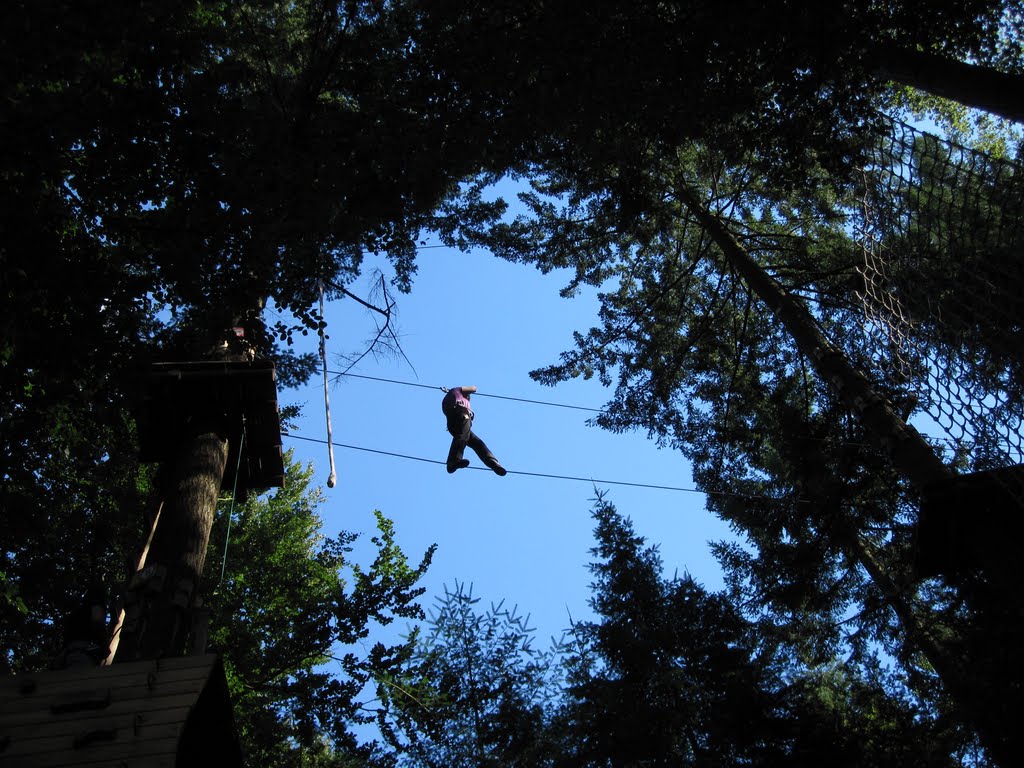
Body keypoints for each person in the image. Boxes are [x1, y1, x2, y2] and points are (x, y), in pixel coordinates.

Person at [441, 385, 507, 475]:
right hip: (461, 415)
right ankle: (453, 460)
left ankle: (492, 462)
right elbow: (473, 388)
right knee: (462, 436)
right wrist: (471, 389)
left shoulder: (448, 400)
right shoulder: (457, 391)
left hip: (452, 423)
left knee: (477, 443)